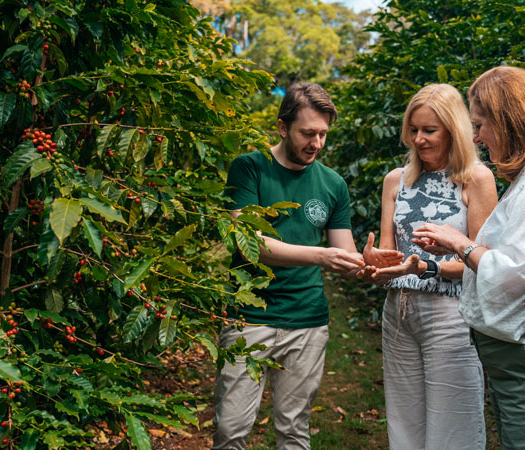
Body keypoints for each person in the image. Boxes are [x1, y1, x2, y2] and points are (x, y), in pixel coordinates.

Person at [212, 82, 402, 450]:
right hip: (249, 317)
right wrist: (320, 256)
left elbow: (342, 253)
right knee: (230, 429)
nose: (316, 143)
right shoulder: (249, 169)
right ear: (283, 128)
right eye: (307, 133)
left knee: (294, 429)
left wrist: (366, 263)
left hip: (308, 322)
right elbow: (250, 243)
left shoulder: (332, 183)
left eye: (323, 134)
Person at [361, 83, 497, 449]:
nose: (419, 139)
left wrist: (426, 268)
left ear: (453, 129)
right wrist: (376, 263)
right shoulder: (396, 181)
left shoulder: (476, 179)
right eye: (414, 129)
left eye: (429, 130)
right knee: (404, 421)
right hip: (398, 312)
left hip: (450, 313)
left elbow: (484, 261)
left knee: (454, 422)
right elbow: (391, 255)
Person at [412, 66, 525, 450]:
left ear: (506, 121)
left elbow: (515, 272)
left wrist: (461, 244)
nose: (477, 135)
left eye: (481, 124)